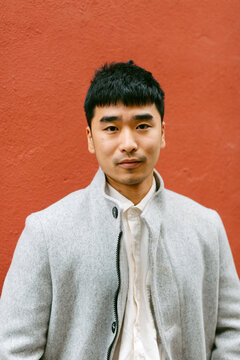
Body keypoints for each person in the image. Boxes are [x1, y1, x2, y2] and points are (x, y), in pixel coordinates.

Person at [0, 60, 239, 360]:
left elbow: (233, 330)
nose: (128, 143)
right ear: (90, 137)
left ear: (163, 132)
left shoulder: (206, 226)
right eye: (111, 128)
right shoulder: (45, 233)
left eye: (142, 126)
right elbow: (14, 350)